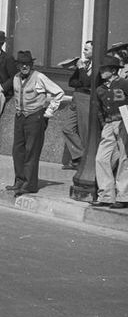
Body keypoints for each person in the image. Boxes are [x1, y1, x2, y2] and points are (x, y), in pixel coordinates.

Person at [7, 50, 67, 195]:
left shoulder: (39, 77)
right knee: (18, 151)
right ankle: (19, 181)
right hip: (20, 117)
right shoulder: (15, 78)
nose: (24, 67)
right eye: (22, 64)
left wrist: (48, 113)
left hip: (35, 117)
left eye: (27, 64)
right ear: (18, 66)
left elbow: (59, 92)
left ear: (31, 65)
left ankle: (29, 185)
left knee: (31, 151)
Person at [92, 52, 128, 209]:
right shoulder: (100, 89)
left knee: (124, 159)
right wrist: (104, 124)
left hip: (123, 122)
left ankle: (123, 196)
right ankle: (106, 195)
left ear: (113, 70)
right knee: (101, 158)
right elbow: (100, 110)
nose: (101, 72)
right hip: (108, 124)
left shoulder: (124, 84)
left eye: (104, 69)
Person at [59, 40, 93, 170]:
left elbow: (88, 82)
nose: (84, 52)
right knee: (67, 127)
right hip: (77, 97)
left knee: (85, 130)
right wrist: (82, 81)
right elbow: (72, 82)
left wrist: (81, 70)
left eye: (86, 50)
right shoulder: (84, 65)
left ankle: (83, 161)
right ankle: (80, 155)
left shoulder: (95, 66)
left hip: (87, 99)